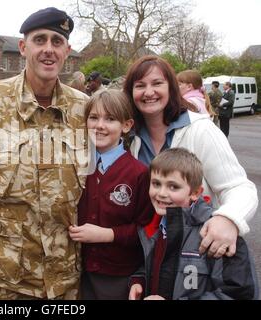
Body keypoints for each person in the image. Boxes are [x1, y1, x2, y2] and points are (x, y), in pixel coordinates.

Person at [0, 7, 89, 300]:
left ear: (67, 50)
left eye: (57, 41)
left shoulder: (84, 109)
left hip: (66, 273)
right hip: (5, 274)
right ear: (24, 48)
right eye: (40, 40)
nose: (48, 49)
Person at [123, 55, 258, 259]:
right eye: (140, 85)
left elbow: (239, 187)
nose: (149, 92)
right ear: (131, 92)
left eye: (157, 83)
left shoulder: (200, 130)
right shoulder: (128, 136)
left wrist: (228, 218)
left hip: (194, 255)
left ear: (171, 88)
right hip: (146, 254)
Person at [129, 148, 258, 300]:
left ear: (195, 193)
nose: (162, 193)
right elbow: (156, 267)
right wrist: (140, 281)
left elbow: (238, 293)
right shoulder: (154, 227)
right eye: (156, 183)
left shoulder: (217, 234)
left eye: (173, 187)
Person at [68, 89, 153, 300]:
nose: (100, 125)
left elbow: (146, 230)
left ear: (126, 125)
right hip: (77, 271)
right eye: (94, 117)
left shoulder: (139, 173)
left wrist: (107, 235)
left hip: (119, 276)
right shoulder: (76, 167)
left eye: (110, 119)